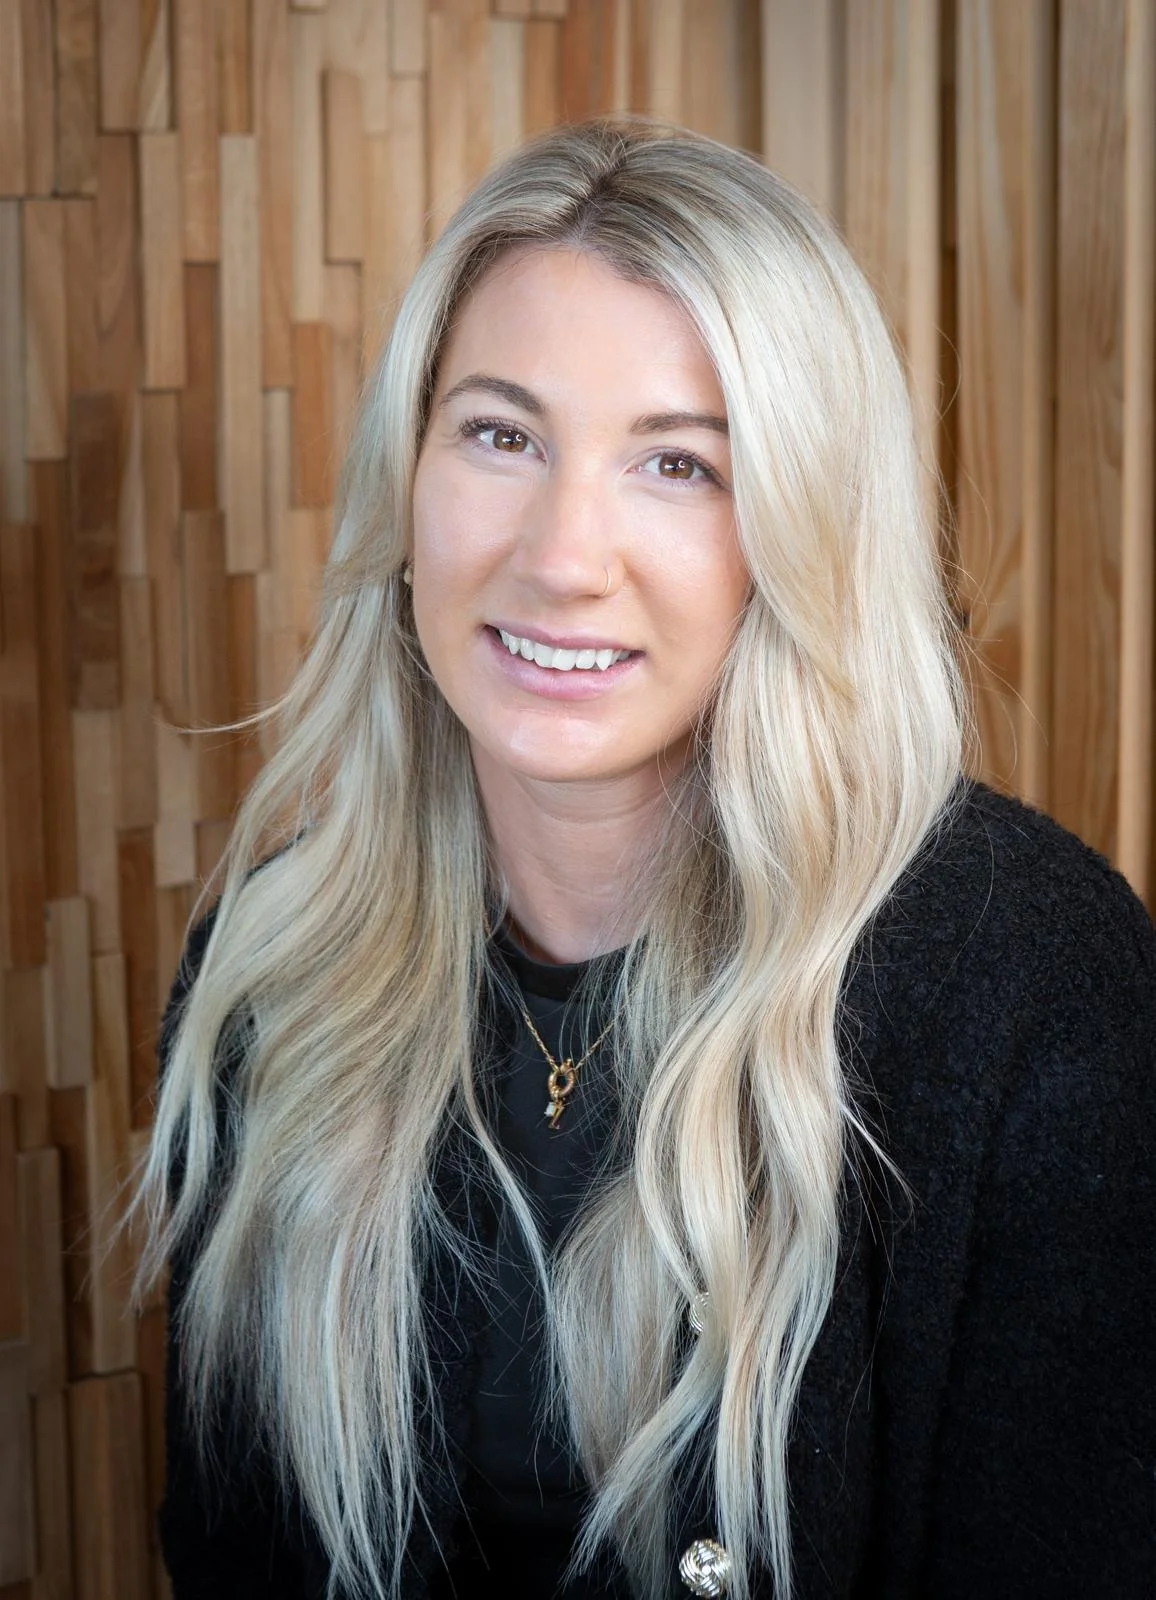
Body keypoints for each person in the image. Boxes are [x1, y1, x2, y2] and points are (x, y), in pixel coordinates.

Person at [137, 119, 1155, 1600]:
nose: (563, 555)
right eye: (502, 435)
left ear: (801, 529)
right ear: (405, 482)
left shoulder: (1033, 989)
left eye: (679, 464)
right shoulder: (277, 965)